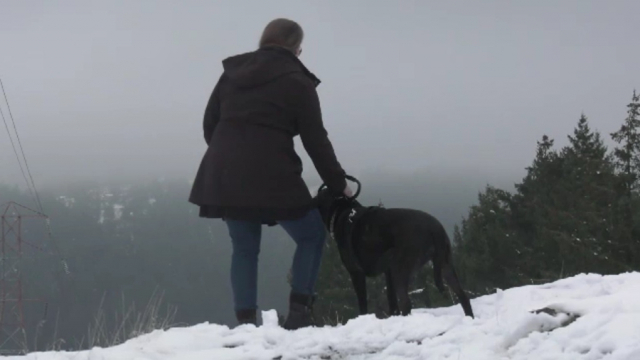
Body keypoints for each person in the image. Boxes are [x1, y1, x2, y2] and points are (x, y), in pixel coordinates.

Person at [189, 18, 352, 330]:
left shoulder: (232, 74)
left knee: (245, 247)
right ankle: (300, 315)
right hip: (274, 174)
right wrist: (338, 184)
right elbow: (315, 140)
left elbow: (211, 124)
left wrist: (232, 159)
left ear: (263, 40)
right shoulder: (297, 81)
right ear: (298, 49)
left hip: (225, 173)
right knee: (311, 235)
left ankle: (246, 322)